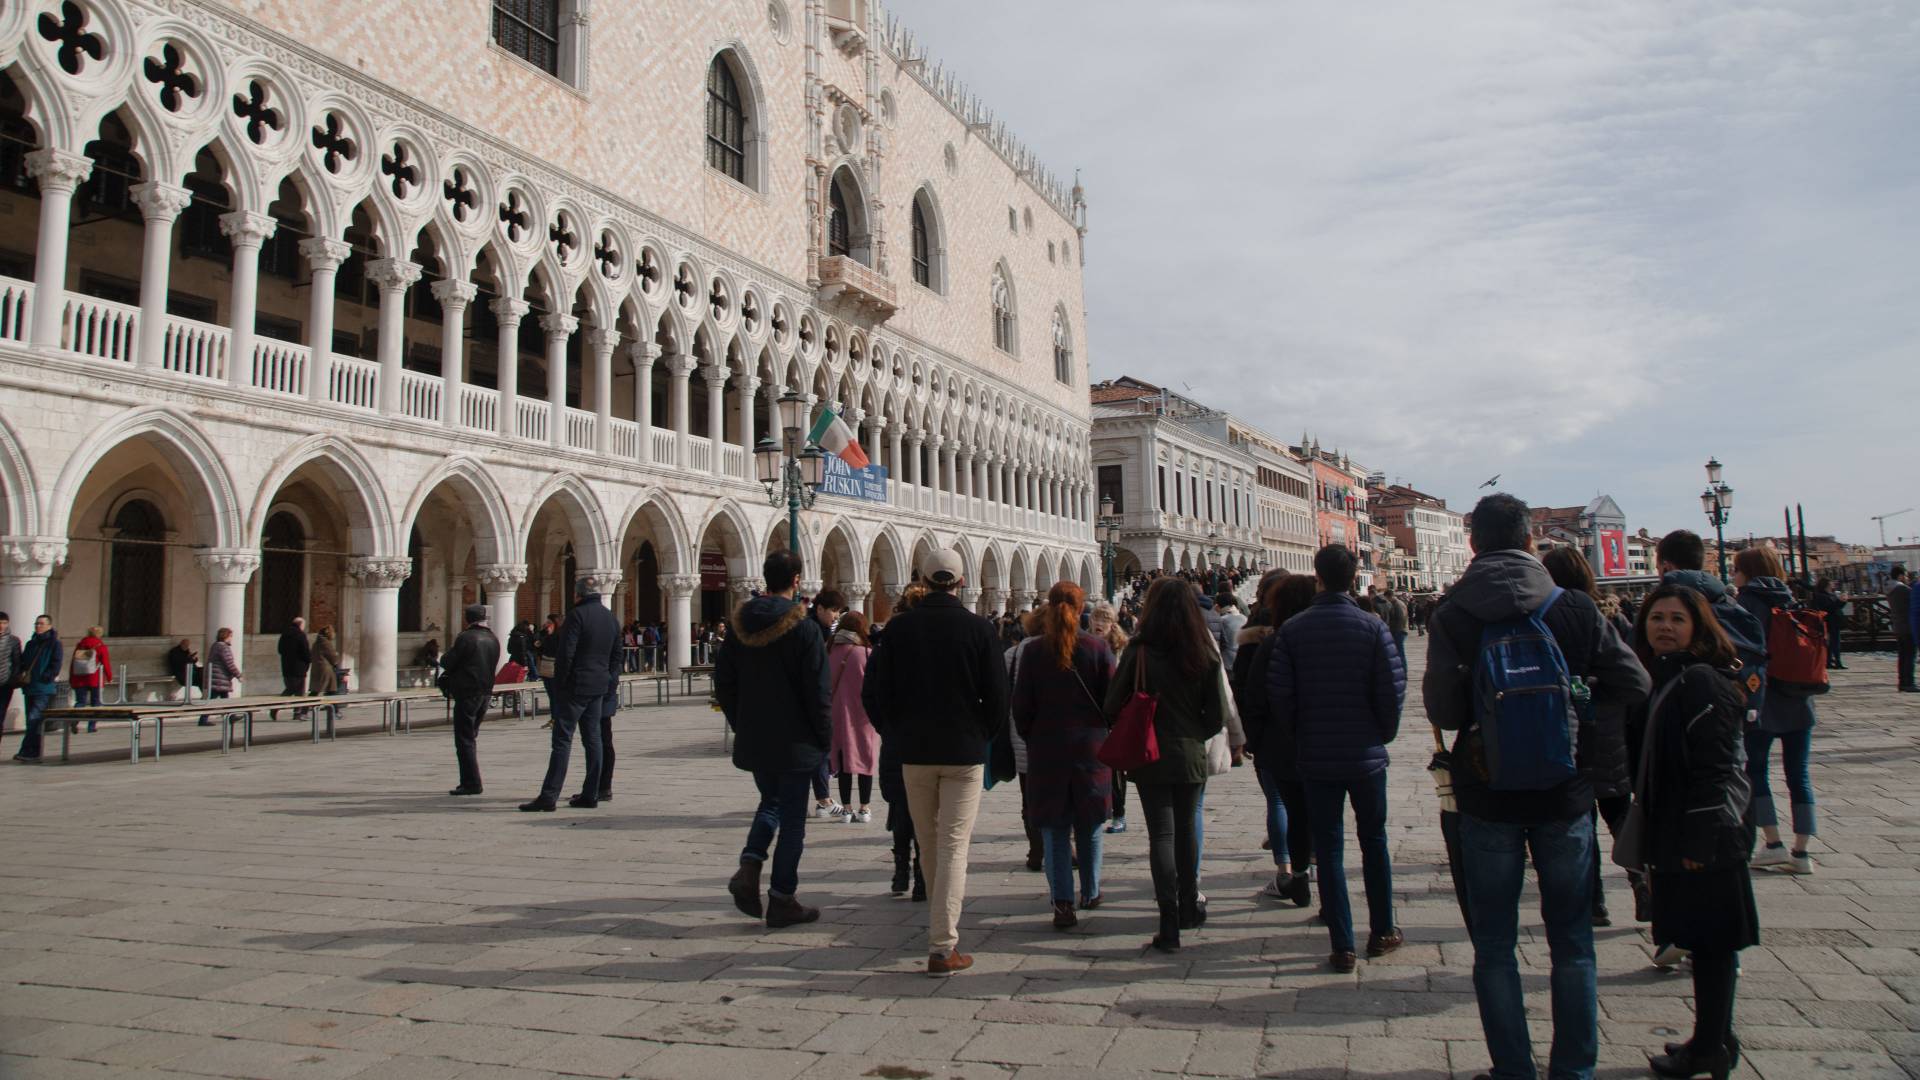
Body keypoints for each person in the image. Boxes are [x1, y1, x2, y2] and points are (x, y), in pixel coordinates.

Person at [1426, 494, 1652, 1080]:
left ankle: (1512, 1071)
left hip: (1486, 789)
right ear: (1531, 542)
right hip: (1565, 787)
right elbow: (1635, 681)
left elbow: (1445, 711)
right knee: (1573, 942)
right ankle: (1573, 1071)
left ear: (1473, 544)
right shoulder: (1572, 606)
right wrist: (1577, 695)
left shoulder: (1453, 613)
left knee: (1496, 945)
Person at [1630, 584, 1759, 1080]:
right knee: (1706, 941)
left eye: (1677, 619)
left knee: (1711, 945)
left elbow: (1718, 768)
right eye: (1657, 617)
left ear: (1698, 628)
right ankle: (1715, 1037)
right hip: (1685, 831)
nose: (1664, 626)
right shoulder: (1670, 676)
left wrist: (1699, 842)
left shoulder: (1702, 681)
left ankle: (1709, 1048)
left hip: (1705, 835)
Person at [862, 550, 1007, 976]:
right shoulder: (979, 629)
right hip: (963, 752)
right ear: (961, 583)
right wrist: (981, 734)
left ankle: (940, 934)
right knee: (953, 846)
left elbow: (877, 692)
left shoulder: (899, 629)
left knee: (929, 843)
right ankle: (943, 947)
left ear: (923, 580)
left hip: (914, 752)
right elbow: (999, 698)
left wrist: (895, 732)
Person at [1266, 544, 1406, 971]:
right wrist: (1381, 734)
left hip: (1316, 754)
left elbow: (1281, 696)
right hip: (1366, 755)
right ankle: (1382, 930)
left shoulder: (1293, 630)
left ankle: (1342, 943)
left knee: (1327, 848)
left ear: (1318, 577)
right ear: (1354, 578)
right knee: (1374, 841)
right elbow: (1392, 688)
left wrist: (1301, 734)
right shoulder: (1374, 627)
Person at [1103, 576, 1226, 953]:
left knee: (1162, 834)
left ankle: (1168, 922)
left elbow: (1111, 706)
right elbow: (1217, 714)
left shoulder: (1139, 650)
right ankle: (1190, 905)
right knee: (1187, 831)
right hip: (1189, 754)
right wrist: (1193, 732)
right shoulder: (1202, 649)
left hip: (1149, 755)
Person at [717, 549, 830, 929]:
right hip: (796, 742)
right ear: (797, 580)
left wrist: (742, 722)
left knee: (770, 802)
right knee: (793, 820)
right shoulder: (805, 628)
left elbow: (725, 684)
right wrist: (824, 738)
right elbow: (817, 692)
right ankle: (782, 898)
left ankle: (749, 867)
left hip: (757, 738)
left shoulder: (738, 627)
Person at [1542, 546, 1643, 927]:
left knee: (1581, 818)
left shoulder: (1549, 618)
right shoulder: (1614, 616)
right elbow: (1634, 676)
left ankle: (1595, 900)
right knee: (1618, 812)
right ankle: (1639, 878)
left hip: (1568, 729)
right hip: (1611, 729)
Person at [1012, 582, 1115, 929]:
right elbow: (1112, 702)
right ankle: (1091, 890)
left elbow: (1021, 708)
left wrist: (1037, 736)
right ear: (1081, 607)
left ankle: (1062, 904)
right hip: (1091, 748)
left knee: (1055, 830)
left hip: (1047, 749)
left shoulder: (1034, 651)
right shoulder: (1098, 647)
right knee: (1090, 823)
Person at [1731, 546, 1819, 877]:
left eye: (1737, 568)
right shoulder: (1790, 598)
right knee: (1799, 773)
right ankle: (1802, 851)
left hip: (1764, 700)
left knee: (1756, 770)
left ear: (1748, 571)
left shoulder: (1748, 602)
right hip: (1799, 697)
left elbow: (1745, 653)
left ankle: (1772, 844)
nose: (1734, 574)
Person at [1232, 570, 1315, 907]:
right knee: (1317, 806)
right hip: (1321, 737)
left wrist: (1251, 737)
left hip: (1275, 737)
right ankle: (1316, 869)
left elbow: (1245, 688)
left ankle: (1287, 871)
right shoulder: (1318, 634)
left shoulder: (1257, 636)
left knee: (1280, 802)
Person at [522, 580, 620, 811]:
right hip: (598, 687)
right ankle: (591, 793)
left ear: (577, 595)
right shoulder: (610, 618)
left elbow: (566, 654)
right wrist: (607, 680)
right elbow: (617, 656)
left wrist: (561, 683)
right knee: (593, 739)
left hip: (575, 686)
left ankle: (549, 796)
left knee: (562, 740)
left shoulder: (576, 616)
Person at [1656, 531, 1766, 692]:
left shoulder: (1659, 613)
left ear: (1666, 568)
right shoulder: (1733, 607)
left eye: (1658, 568)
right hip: (1737, 708)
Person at [878, 583, 928, 900]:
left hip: (898, 736)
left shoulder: (889, 640)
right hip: (929, 738)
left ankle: (900, 872)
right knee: (926, 810)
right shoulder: (933, 641)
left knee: (901, 807)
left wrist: (886, 725)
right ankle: (922, 877)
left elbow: (872, 691)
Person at [438, 604, 500, 796]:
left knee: (464, 739)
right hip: (485, 692)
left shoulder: (466, 638)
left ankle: (471, 782)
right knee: (470, 736)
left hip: (468, 692)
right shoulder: (492, 638)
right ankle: (471, 780)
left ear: (467, 619)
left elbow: (447, 661)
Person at [827, 610, 878, 823]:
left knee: (843, 759)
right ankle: (864, 808)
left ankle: (846, 809)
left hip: (836, 712)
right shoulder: (866, 652)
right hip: (863, 714)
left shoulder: (828, 650)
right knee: (866, 758)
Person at [1088, 602, 1133, 834]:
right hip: (1093, 715)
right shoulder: (1085, 646)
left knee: (1115, 769)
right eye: (1096, 618)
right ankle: (1097, 809)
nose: (1099, 623)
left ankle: (1119, 813)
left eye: (1104, 618)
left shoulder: (1122, 648)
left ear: (1112, 623)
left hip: (1116, 717)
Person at [808, 590, 847, 818]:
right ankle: (823, 799)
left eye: (838, 612)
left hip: (813, 700)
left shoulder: (820, 629)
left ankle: (822, 798)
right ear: (820, 608)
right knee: (821, 749)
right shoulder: (812, 630)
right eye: (833, 610)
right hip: (812, 701)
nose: (835, 616)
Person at [12, 615, 59, 762]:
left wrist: (47, 676)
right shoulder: (31, 644)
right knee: (31, 720)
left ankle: (29, 751)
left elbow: (56, 663)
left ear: (49, 626)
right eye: (37, 624)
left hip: (44, 688)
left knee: (34, 718)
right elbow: (24, 662)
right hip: (30, 687)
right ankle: (31, 750)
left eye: (42, 624)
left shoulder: (54, 644)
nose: (38, 626)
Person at [68, 625, 112, 730]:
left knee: (80, 702)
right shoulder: (100, 646)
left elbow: (73, 663)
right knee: (95, 703)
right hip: (94, 678)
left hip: (79, 678)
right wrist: (109, 677)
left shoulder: (80, 646)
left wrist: (71, 677)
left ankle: (75, 720)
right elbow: (106, 663)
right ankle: (91, 726)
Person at [198, 629, 241, 727]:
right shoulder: (223, 647)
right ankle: (204, 719)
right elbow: (229, 664)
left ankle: (230, 716)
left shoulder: (216, 645)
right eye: (230, 636)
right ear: (226, 636)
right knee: (213, 699)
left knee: (222, 698)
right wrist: (239, 675)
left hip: (217, 678)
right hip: (219, 679)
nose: (231, 639)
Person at [1809, 578, 1847, 670]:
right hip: (1830, 620)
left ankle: (1835, 661)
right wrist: (1840, 601)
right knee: (1832, 642)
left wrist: (1843, 601)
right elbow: (1829, 608)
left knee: (1835, 642)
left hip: (1836, 620)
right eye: (1831, 582)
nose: (1833, 583)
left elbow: (1836, 606)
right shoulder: (1821, 595)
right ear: (1826, 584)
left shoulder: (1832, 594)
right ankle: (1831, 661)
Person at [1888, 565, 1914, 692]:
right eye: (1906, 575)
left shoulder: (1891, 589)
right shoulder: (1903, 590)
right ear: (1900, 576)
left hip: (1898, 626)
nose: (1907, 578)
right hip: (1908, 626)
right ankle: (1908, 682)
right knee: (1909, 655)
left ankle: (1902, 681)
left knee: (1903, 655)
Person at [277, 617, 310, 697]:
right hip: (299, 668)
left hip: (286, 667)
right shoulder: (300, 635)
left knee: (290, 687)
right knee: (296, 690)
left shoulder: (284, 634)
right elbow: (305, 650)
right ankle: (300, 709)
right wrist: (308, 660)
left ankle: (300, 708)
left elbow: (280, 650)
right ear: (300, 625)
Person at [0, 613, 19, 738]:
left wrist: (12, 680)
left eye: (4, 623)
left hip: (5, 685)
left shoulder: (13, 641)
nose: (1, 626)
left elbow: (17, 662)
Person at [1378, 589, 1409, 667]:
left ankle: (1403, 670)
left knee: (1400, 652)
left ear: (1389, 596)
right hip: (1400, 629)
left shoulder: (1397, 604)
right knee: (1399, 651)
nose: (1387, 600)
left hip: (1399, 630)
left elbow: (1400, 618)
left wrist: (1391, 627)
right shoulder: (1397, 603)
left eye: (1386, 598)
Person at [308, 626, 341, 695]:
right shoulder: (326, 643)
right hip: (325, 670)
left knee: (316, 690)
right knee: (331, 689)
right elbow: (332, 656)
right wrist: (336, 660)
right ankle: (332, 704)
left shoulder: (316, 643)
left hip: (317, 668)